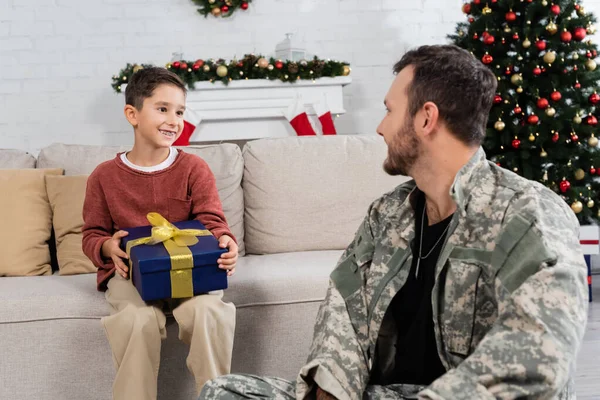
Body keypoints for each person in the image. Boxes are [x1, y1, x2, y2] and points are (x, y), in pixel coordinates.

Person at [199, 44, 589, 400]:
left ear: (426, 118)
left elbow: (537, 359)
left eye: (389, 110)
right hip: (386, 394)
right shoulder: (387, 214)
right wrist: (330, 393)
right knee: (223, 393)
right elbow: (344, 314)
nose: (380, 127)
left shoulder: (528, 215)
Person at [82, 67, 239, 400]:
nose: (173, 120)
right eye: (162, 109)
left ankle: (219, 396)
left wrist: (225, 241)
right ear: (132, 114)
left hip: (192, 275)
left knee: (209, 313)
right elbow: (92, 234)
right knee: (137, 322)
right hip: (131, 278)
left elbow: (213, 221)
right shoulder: (104, 176)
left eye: (180, 111)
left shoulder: (194, 168)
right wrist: (109, 247)